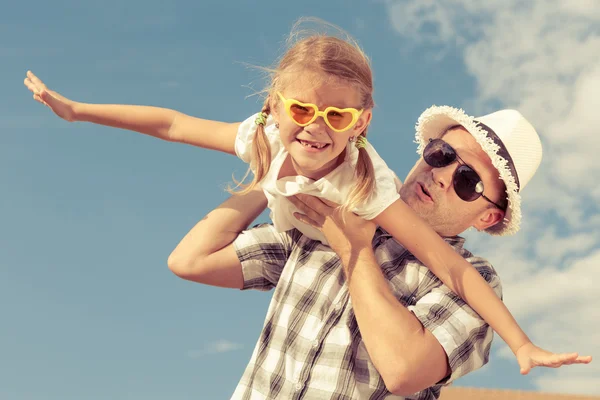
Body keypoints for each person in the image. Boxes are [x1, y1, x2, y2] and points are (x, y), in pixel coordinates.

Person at [23, 19, 589, 392]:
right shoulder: (313, 219)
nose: (441, 175)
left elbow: (405, 369)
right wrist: (270, 173)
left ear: (489, 214)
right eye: (441, 154)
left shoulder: (375, 208)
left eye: (467, 180)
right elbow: (189, 258)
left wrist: (522, 342)